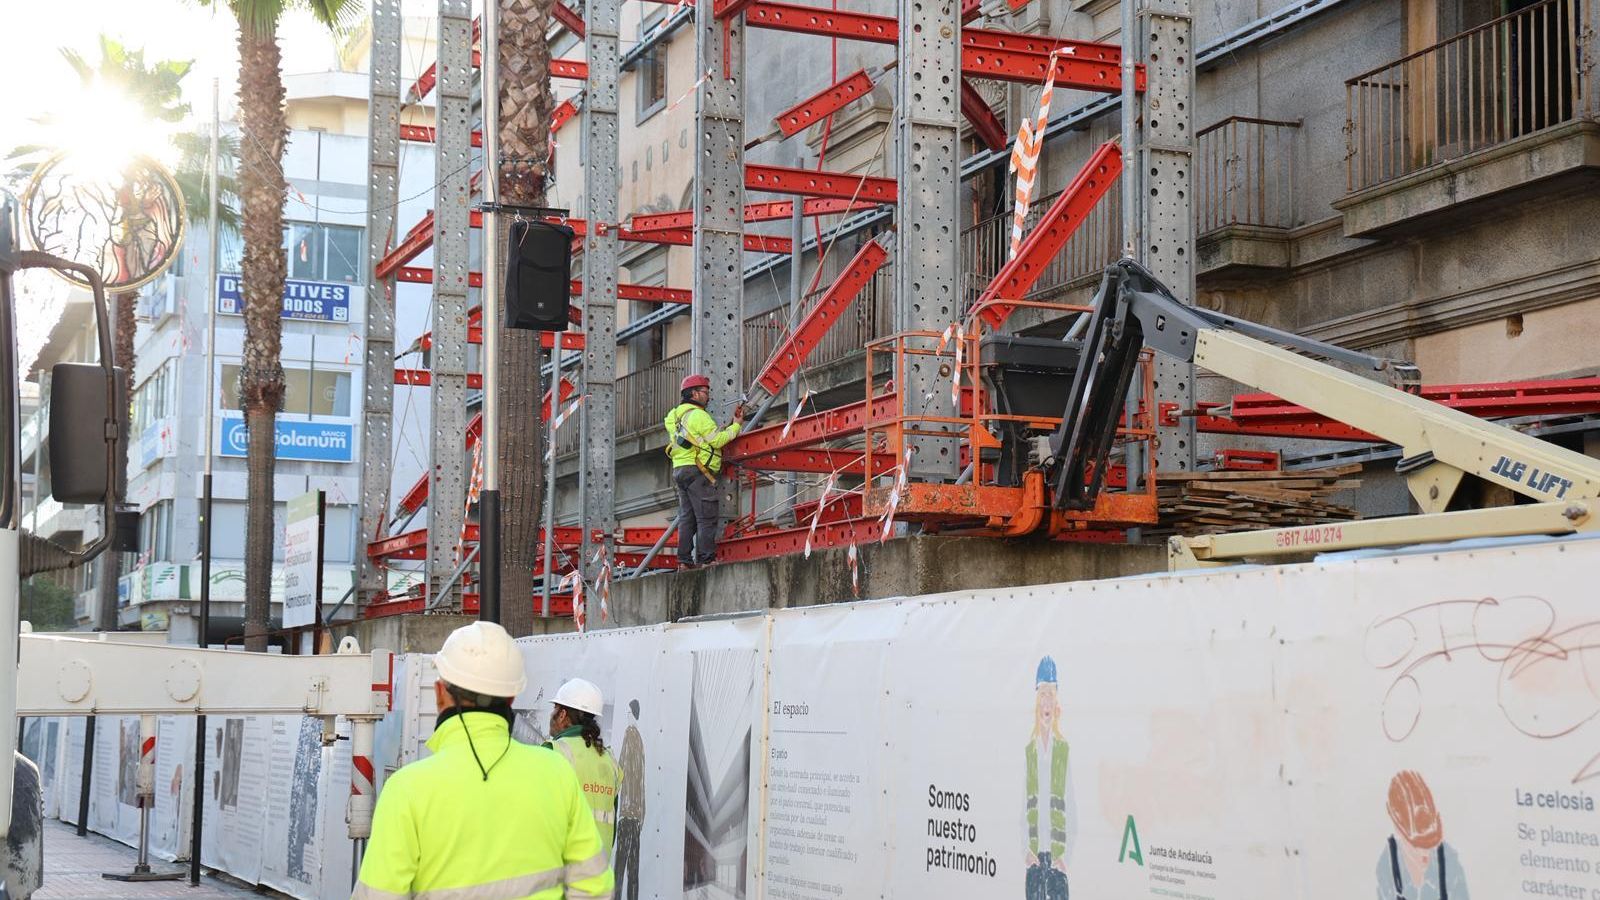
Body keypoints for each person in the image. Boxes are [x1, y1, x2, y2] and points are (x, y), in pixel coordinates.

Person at [354, 622, 613, 900]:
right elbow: (594, 885)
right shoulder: (557, 773)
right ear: (511, 698)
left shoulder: (405, 790)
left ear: (440, 693)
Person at [664, 373, 745, 567]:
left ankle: (684, 561)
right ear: (694, 394)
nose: (708, 396)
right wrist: (736, 427)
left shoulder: (674, 416)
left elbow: (698, 438)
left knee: (687, 518)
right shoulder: (700, 416)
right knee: (706, 518)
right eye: (705, 392)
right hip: (699, 472)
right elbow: (716, 441)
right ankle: (706, 560)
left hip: (681, 470)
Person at [546, 678, 624, 861]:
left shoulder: (554, 751)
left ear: (563, 714)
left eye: (554, 709)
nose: (552, 715)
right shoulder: (609, 761)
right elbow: (611, 830)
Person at [1375, 770, 1469, 900]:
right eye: (1417, 845)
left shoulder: (1450, 864)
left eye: (1431, 843)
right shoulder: (1386, 867)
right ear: (1399, 831)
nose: (1425, 852)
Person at [1025, 656, 1074, 900]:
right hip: (1035, 858)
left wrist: (1065, 856)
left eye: (1050, 694)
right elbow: (1022, 806)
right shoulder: (1030, 751)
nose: (1046, 701)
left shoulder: (1063, 750)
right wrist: (1026, 850)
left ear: (1056, 703)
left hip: (1056, 860)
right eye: (1042, 694)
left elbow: (1071, 807)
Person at [615, 699, 646, 900]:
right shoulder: (640, 740)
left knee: (619, 868)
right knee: (633, 871)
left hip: (627, 814)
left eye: (628, 712)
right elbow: (641, 779)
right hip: (636, 816)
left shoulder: (629, 735)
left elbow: (621, 771)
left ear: (634, 714)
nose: (627, 715)